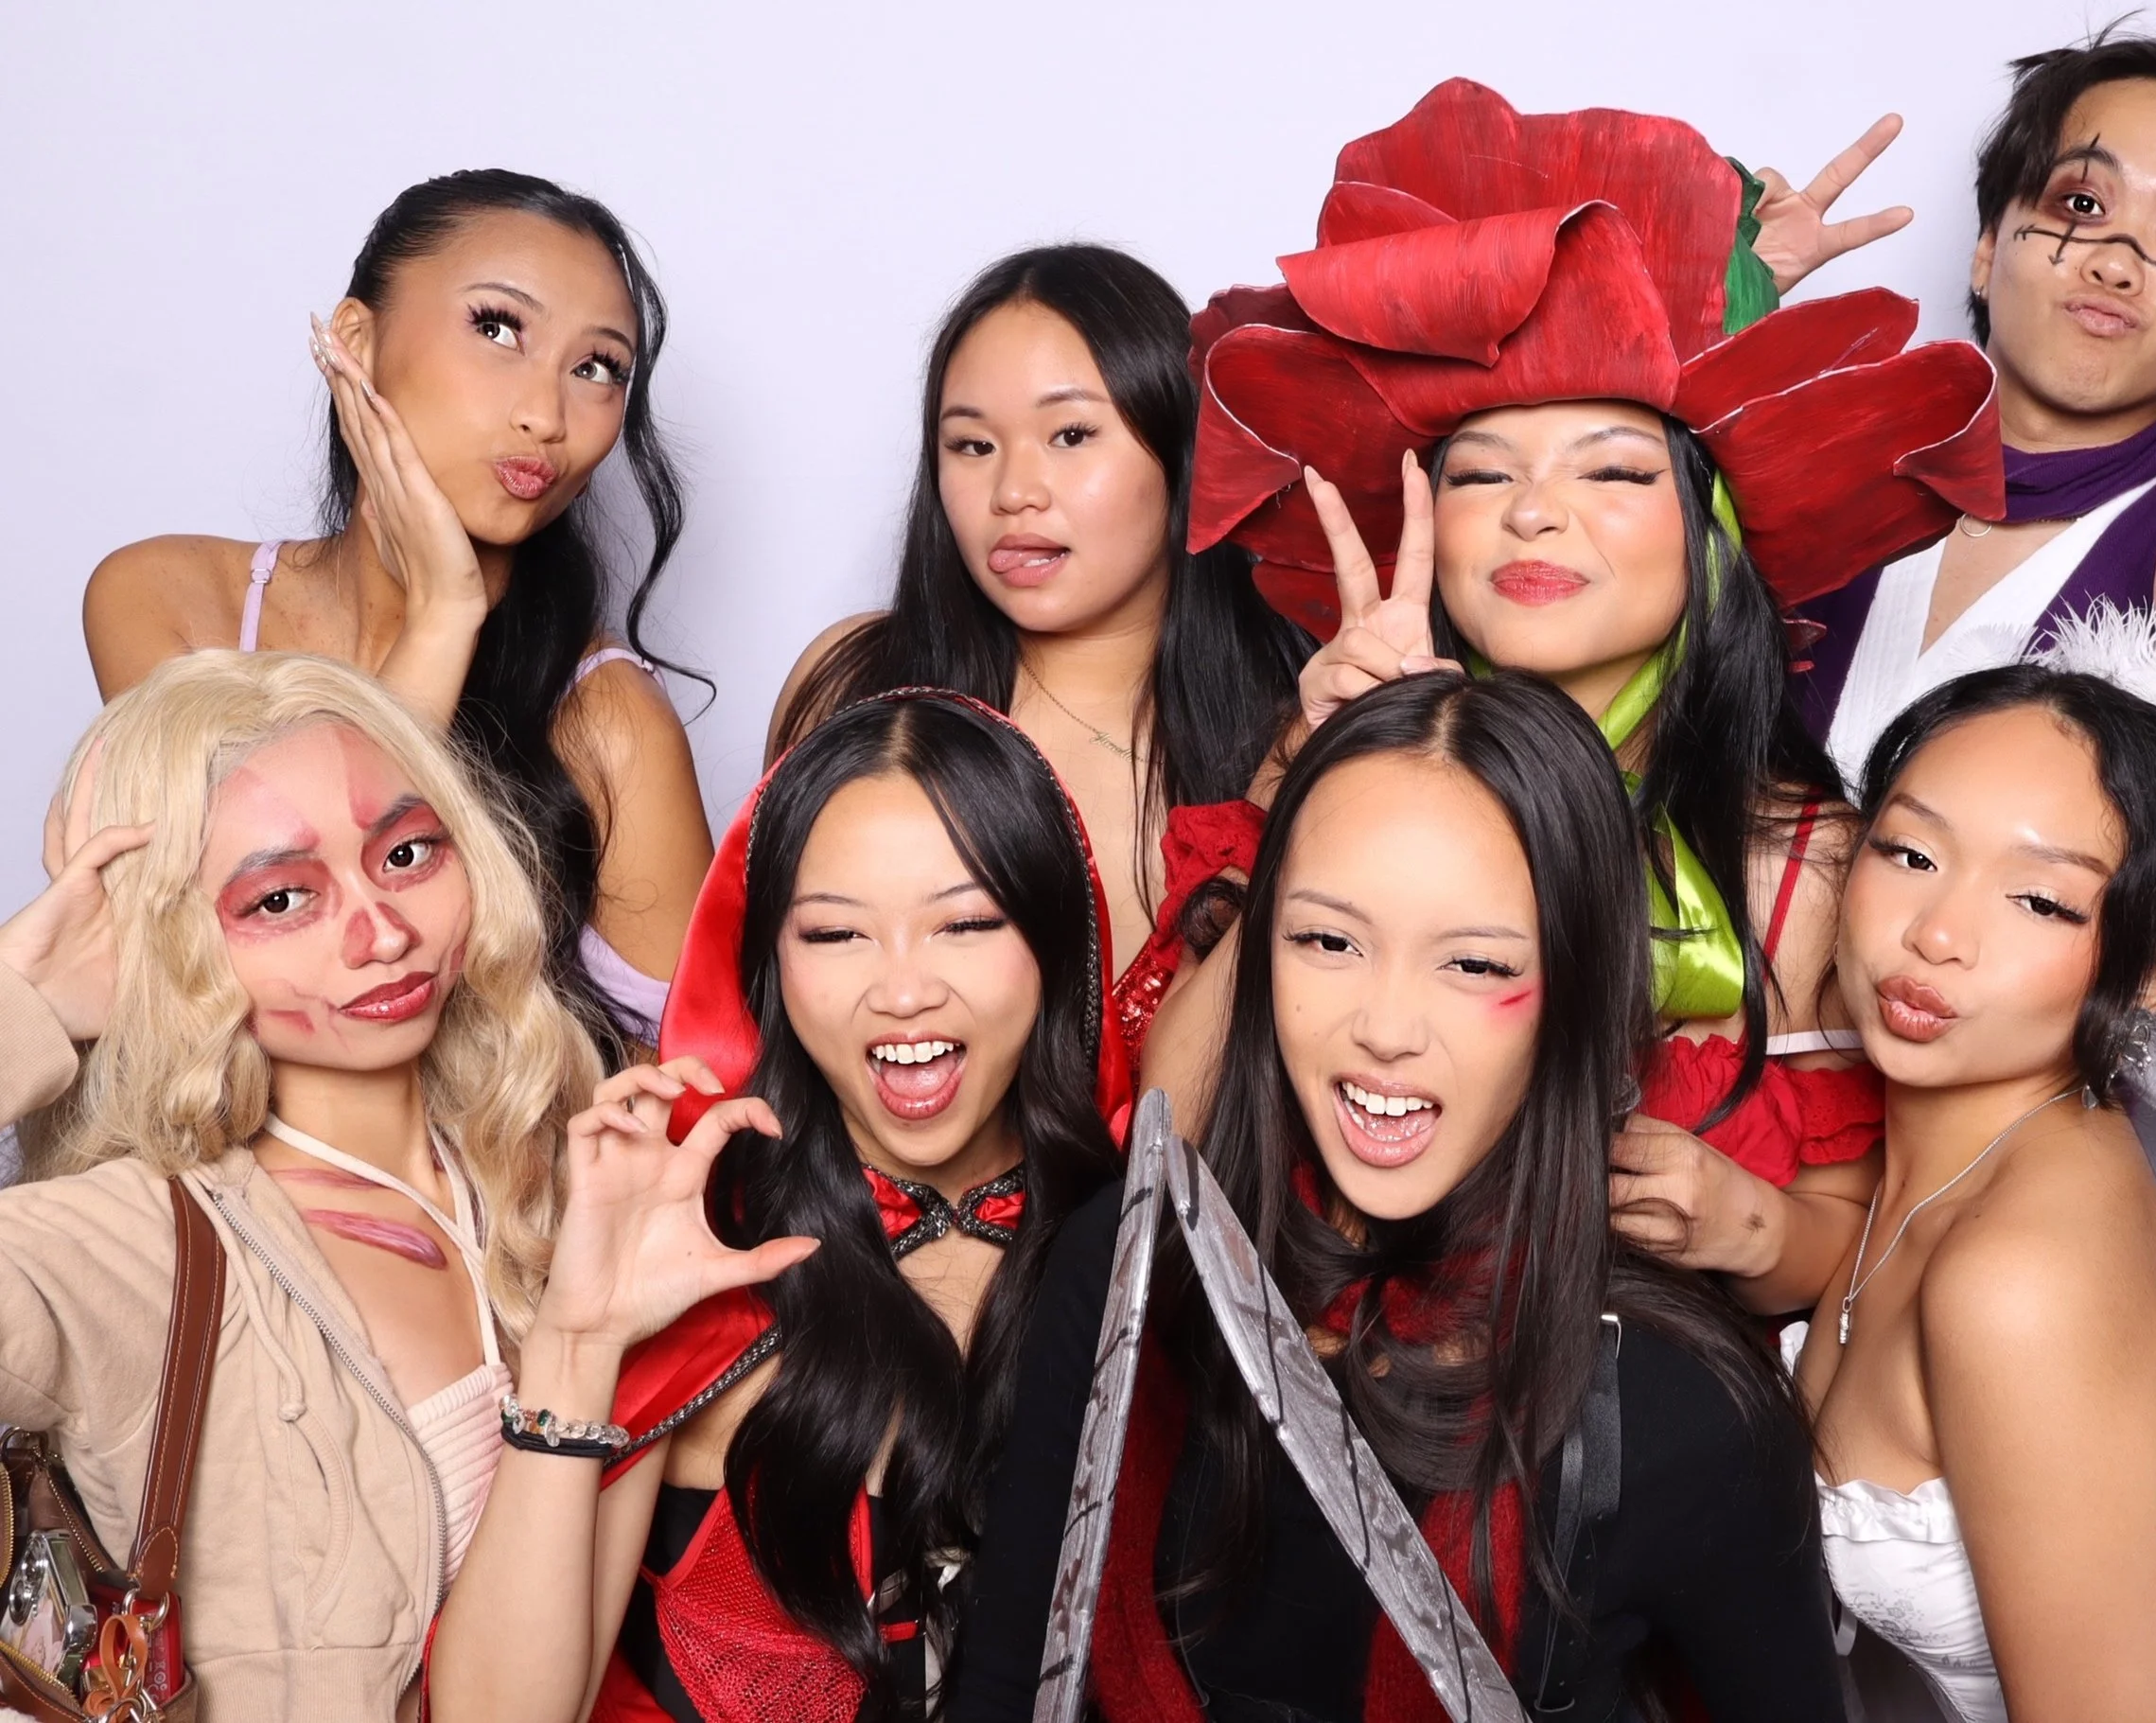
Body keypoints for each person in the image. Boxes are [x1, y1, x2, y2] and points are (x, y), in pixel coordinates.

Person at [1165, 79, 2003, 1310]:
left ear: (1712, 535)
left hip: (1653, 1450)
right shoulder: (1327, 768)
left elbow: (1883, 1262)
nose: (1532, 510)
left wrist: (1750, 1223)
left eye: (1611, 469)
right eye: (1482, 472)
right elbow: (1169, 1149)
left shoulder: (1801, 870)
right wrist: (1328, 778)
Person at [955, 669, 1844, 1722]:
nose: (1385, 1024)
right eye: (1327, 940)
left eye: (1471, 963)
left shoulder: (1678, 1409)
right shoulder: (1131, 1268)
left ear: (1576, 987)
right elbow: (1006, 1682)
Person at [427, 691, 1128, 1723]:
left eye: (966, 922)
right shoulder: (703, 1249)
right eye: (837, 933)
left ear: (1057, 940)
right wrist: (579, 1339)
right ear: (768, 965)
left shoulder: (1136, 1255)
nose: (901, 989)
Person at [0, 648, 598, 1720]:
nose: (383, 932)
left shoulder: (552, 1161)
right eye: (282, 897)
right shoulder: (136, 1241)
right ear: (169, 939)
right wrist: (22, 1001)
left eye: (408, 852)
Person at [1789, 28, 2156, 1139]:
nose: (2117, 263)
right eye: (2080, 206)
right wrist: (1707, 323)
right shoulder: (1792, 492)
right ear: (1984, 244)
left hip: (1964, 1206)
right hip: (1653, 1161)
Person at [1788, 641, 2156, 1720]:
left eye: (2041, 902)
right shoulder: (1974, 1159)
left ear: (2152, 973)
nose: (1937, 934)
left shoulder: (2022, 1273)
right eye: (1910, 853)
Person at [81, 169, 714, 1056]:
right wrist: (442, 618)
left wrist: (447, 616)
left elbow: (687, 1085)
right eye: (497, 328)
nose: (545, 414)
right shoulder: (170, 601)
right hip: (199, 1178)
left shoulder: (609, 722)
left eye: (596, 367)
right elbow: (246, 925)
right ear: (354, 339)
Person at [766, 245, 1314, 1080]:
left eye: (1070, 434)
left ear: (1181, 446)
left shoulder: (1295, 719)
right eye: (972, 445)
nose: (1014, 490)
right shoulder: (856, 685)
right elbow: (765, 1030)